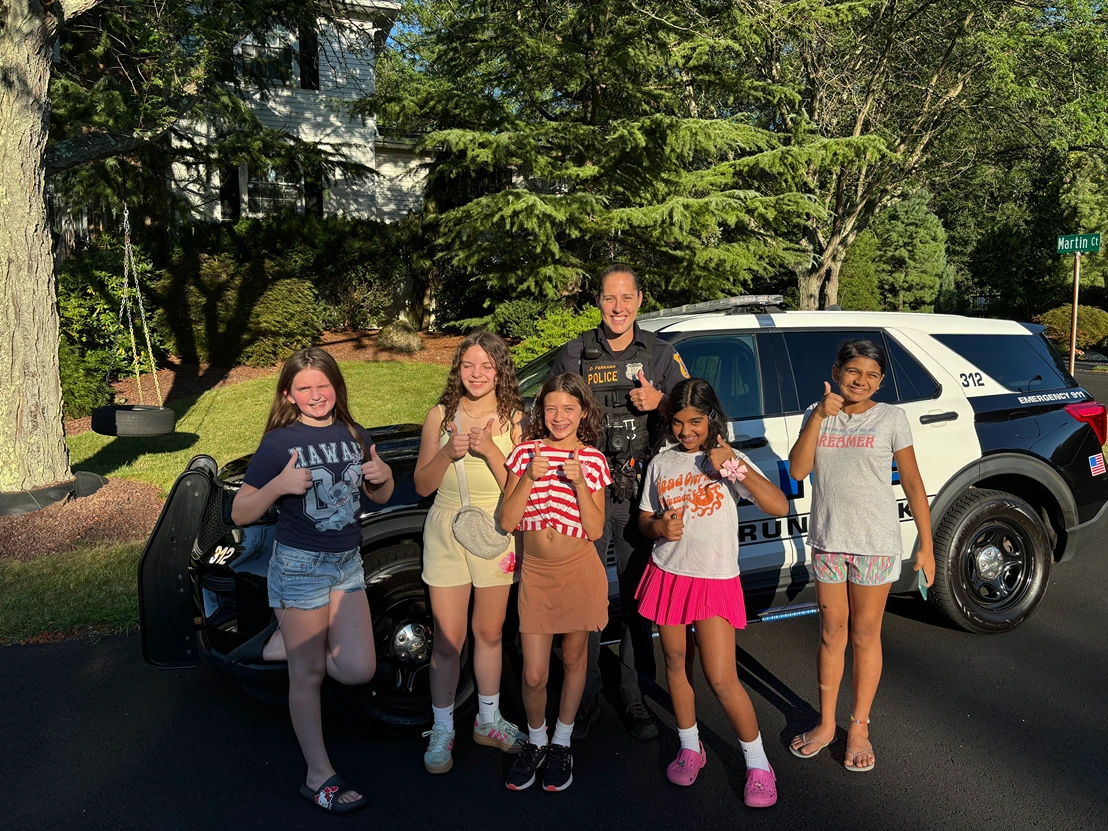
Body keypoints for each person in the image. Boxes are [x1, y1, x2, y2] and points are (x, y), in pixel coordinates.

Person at [230, 347, 394, 814]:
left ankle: (284, 637)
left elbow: (377, 495)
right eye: (304, 388)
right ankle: (317, 775)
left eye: (323, 385)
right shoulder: (279, 443)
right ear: (289, 394)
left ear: (336, 387)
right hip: (300, 569)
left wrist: (381, 476)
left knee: (358, 669)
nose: (316, 394)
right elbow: (240, 511)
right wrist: (278, 487)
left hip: (347, 565)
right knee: (311, 675)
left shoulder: (354, 433)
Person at [550, 264, 689, 740]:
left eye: (626, 298)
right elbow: (551, 418)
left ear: (640, 299)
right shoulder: (573, 355)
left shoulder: (663, 355)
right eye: (610, 298)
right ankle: (582, 698)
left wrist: (663, 404)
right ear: (598, 302)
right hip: (584, 495)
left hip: (639, 496)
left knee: (636, 601)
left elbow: (698, 416)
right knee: (584, 601)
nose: (618, 307)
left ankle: (633, 696)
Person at [637, 378, 788, 806]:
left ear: (712, 419)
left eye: (696, 422)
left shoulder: (726, 459)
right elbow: (645, 520)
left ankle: (758, 763)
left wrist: (732, 465)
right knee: (676, 663)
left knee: (721, 677)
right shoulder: (662, 464)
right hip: (668, 574)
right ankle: (690, 746)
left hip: (714, 579)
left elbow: (776, 505)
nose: (686, 431)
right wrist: (658, 527)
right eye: (678, 422)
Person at [787, 339, 935, 772]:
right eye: (854, 371)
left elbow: (911, 481)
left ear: (882, 381)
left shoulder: (892, 417)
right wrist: (818, 415)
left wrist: (926, 545)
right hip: (829, 540)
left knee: (865, 636)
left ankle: (859, 726)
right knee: (831, 634)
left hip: (875, 544)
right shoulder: (820, 415)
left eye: (872, 375)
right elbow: (798, 470)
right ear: (837, 370)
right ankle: (827, 724)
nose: (861, 381)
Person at [413, 331, 527, 774]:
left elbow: (521, 492)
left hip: (496, 530)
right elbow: (423, 485)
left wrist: (491, 451)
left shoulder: (515, 420)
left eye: (486, 366)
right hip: (445, 528)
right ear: (457, 370)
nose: (477, 375)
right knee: (448, 638)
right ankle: (442, 726)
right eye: (468, 366)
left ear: (500, 371)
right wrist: (447, 452)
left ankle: (488, 718)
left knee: (491, 631)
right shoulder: (440, 416)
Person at [499, 373, 611, 792]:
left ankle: (561, 741)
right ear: (539, 411)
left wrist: (580, 481)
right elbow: (507, 520)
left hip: (579, 569)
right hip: (537, 575)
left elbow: (597, 529)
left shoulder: (594, 460)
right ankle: (536, 739)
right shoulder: (525, 453)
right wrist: (529, 476)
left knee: (575, 657)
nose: (559, 417)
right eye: (550, 408)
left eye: (568, 408)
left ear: (583, 412)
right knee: (533, 673)